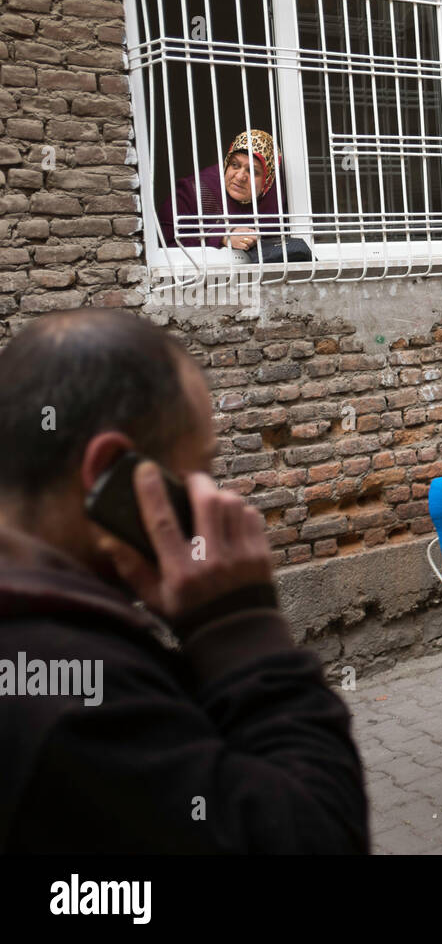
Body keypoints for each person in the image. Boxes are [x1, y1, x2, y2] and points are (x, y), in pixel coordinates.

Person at [0, 309, 369, 852]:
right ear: (110, 473)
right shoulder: (69, 692)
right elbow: (317, 833)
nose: (211, 493)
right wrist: (240, 627)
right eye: (200, 468)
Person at [158, 129, 283, 251]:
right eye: (235, 165)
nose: (240, 177)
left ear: (267, 181)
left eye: (253, 171)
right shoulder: (195, 190)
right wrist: (223, 237)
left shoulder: (275, 201)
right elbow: (167, 243)